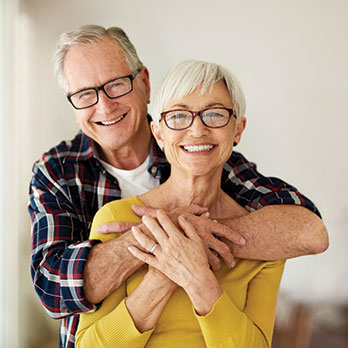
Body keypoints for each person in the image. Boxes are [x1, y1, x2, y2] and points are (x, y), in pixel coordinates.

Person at [28, 25, 327, 348]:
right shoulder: (58, 172)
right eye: (85, 94)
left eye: (115, 84)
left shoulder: (206, 156)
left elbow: (308, 229)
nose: (105, 106)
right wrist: (159, 244)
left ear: (143, 83)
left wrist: (187, 239)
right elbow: (53, 289)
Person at [76, 59, 287, 347]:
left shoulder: (267, 241)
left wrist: (197, 278)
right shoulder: (115, 218)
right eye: (178, 116)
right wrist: (163, 274)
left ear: (238, 130)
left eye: (214, 115)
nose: (197, 130)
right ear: (159, 133)